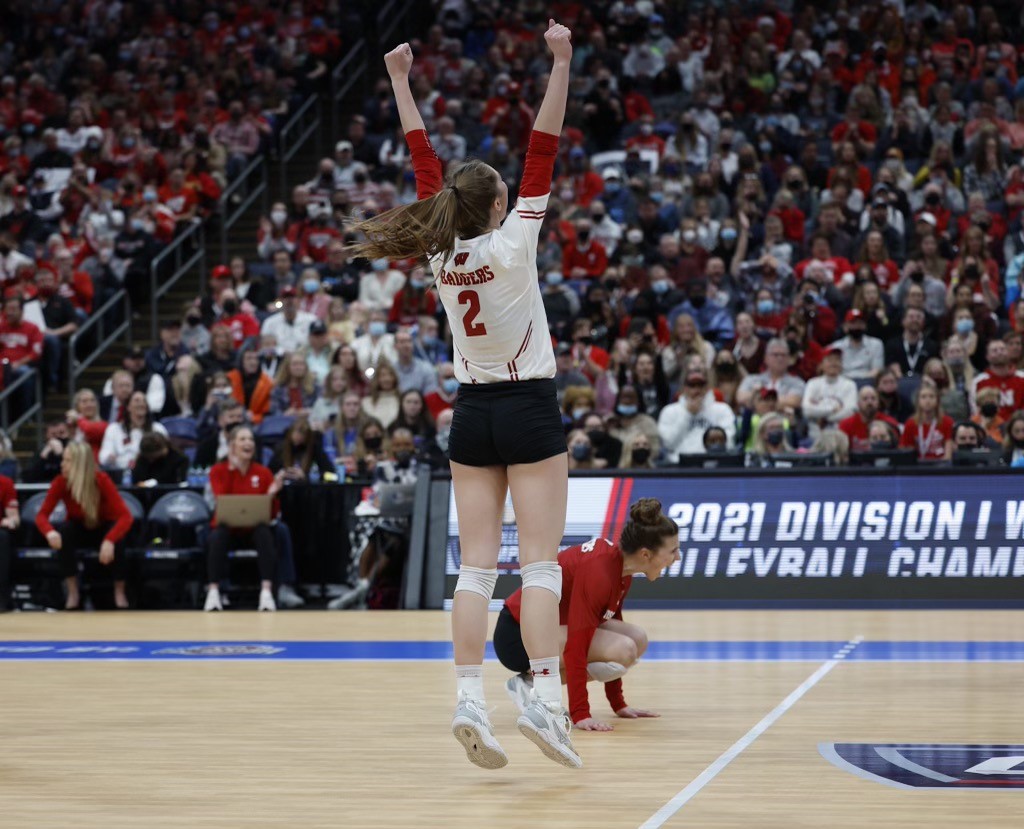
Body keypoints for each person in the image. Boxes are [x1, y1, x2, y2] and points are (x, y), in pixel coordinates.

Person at [348, 25, 580, 769]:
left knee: (475, 569)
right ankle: (545, 700)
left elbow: (425, 164)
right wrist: (561, 62)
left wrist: (399, 81)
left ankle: (469, 697)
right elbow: (543, 144)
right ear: (500, 204)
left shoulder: (440, 246)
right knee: (539, 565)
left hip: (472, 413)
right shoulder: (514, 240)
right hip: (529, 403)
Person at [497, 498, 677, 731]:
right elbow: (576, 646)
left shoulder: (621, 569)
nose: (677, 558)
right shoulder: (599, 573)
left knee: (637, 639)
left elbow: (610, 622)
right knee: (623, 649)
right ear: (645, 554)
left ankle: (534, 680)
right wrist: (581, 713)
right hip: (516, 636)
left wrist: (619, 704)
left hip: (545, 629)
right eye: (673, 551)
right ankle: (530, 684)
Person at [35, 443, 134, 610]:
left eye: (67, 461)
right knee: (64, 531)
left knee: (119, 537)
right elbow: (41, 515)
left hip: (103, 526)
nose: (62, 464)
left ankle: (119, 591)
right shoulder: (60, 482)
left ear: (80, 464)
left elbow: (126, 516)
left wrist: (109, 540)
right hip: (79, 528)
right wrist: (49, 532)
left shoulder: (101, 480)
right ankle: (73, 591)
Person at [204, 425, 285, 612]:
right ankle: (213, 592)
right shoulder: (218, 471)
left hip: (254, 529)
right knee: (217, 535)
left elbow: (271, 514)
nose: (248, 443)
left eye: (250, 439)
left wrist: (271, 495)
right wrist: (233, 469)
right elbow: (221, 499)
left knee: (265, 532)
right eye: (242, 439)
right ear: (232, 446)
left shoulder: (263, 472)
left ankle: (266, 592)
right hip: (228, 529)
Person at [657, 371, 736, 460]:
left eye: (700, 386)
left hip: (714, 462)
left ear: (707, 388)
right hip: (680, 464)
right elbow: (668, 444)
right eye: (692, 386)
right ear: (684, 388)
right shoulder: (669, 411)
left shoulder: (722, 409)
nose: (697, 390)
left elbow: (729, 443)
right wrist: (688, 414)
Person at [98, 391, 168, 472]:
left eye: (144, 401)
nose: (141, 404)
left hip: (153, 472)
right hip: (123, 474)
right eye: (137, 400)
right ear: (128, 407)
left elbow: (167, 452)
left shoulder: (157, 428)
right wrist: (110, 458)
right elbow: (103, 457)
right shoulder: (114, 429)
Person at [801, 347, 858, 440]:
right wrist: (832, 410)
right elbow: (807, 410)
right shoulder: (812, 383)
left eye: (837, 359)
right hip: (814, 437)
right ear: (821, 365)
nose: (834, 363)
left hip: (841, 436)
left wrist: (824, 418)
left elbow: (850, 412)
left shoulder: (849, 385)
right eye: (829, 360)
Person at [899, 379, 954, 462]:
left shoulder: (947, 422)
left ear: (937, 400)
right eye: (923, 397)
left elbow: (948, 455)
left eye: (931, 396)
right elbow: (905, 451)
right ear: (918, 401)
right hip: (917, 467)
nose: (927, 400)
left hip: (941, 466)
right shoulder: (911, 423)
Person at [267, 416, 333, 482]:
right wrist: (279, 475)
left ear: (307, 437)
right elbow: (269, 473)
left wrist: (305, 476)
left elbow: (330, 475)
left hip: (308, 489)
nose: (298, 437)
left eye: (302, 435)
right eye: (296, 433)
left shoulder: (314, 449)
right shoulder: (281, 448)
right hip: (284, 488)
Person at [0, 471, 18, 611]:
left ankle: (2, 599)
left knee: (3, 537)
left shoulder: (5, 483)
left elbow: (14, 517)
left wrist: (11, 521)